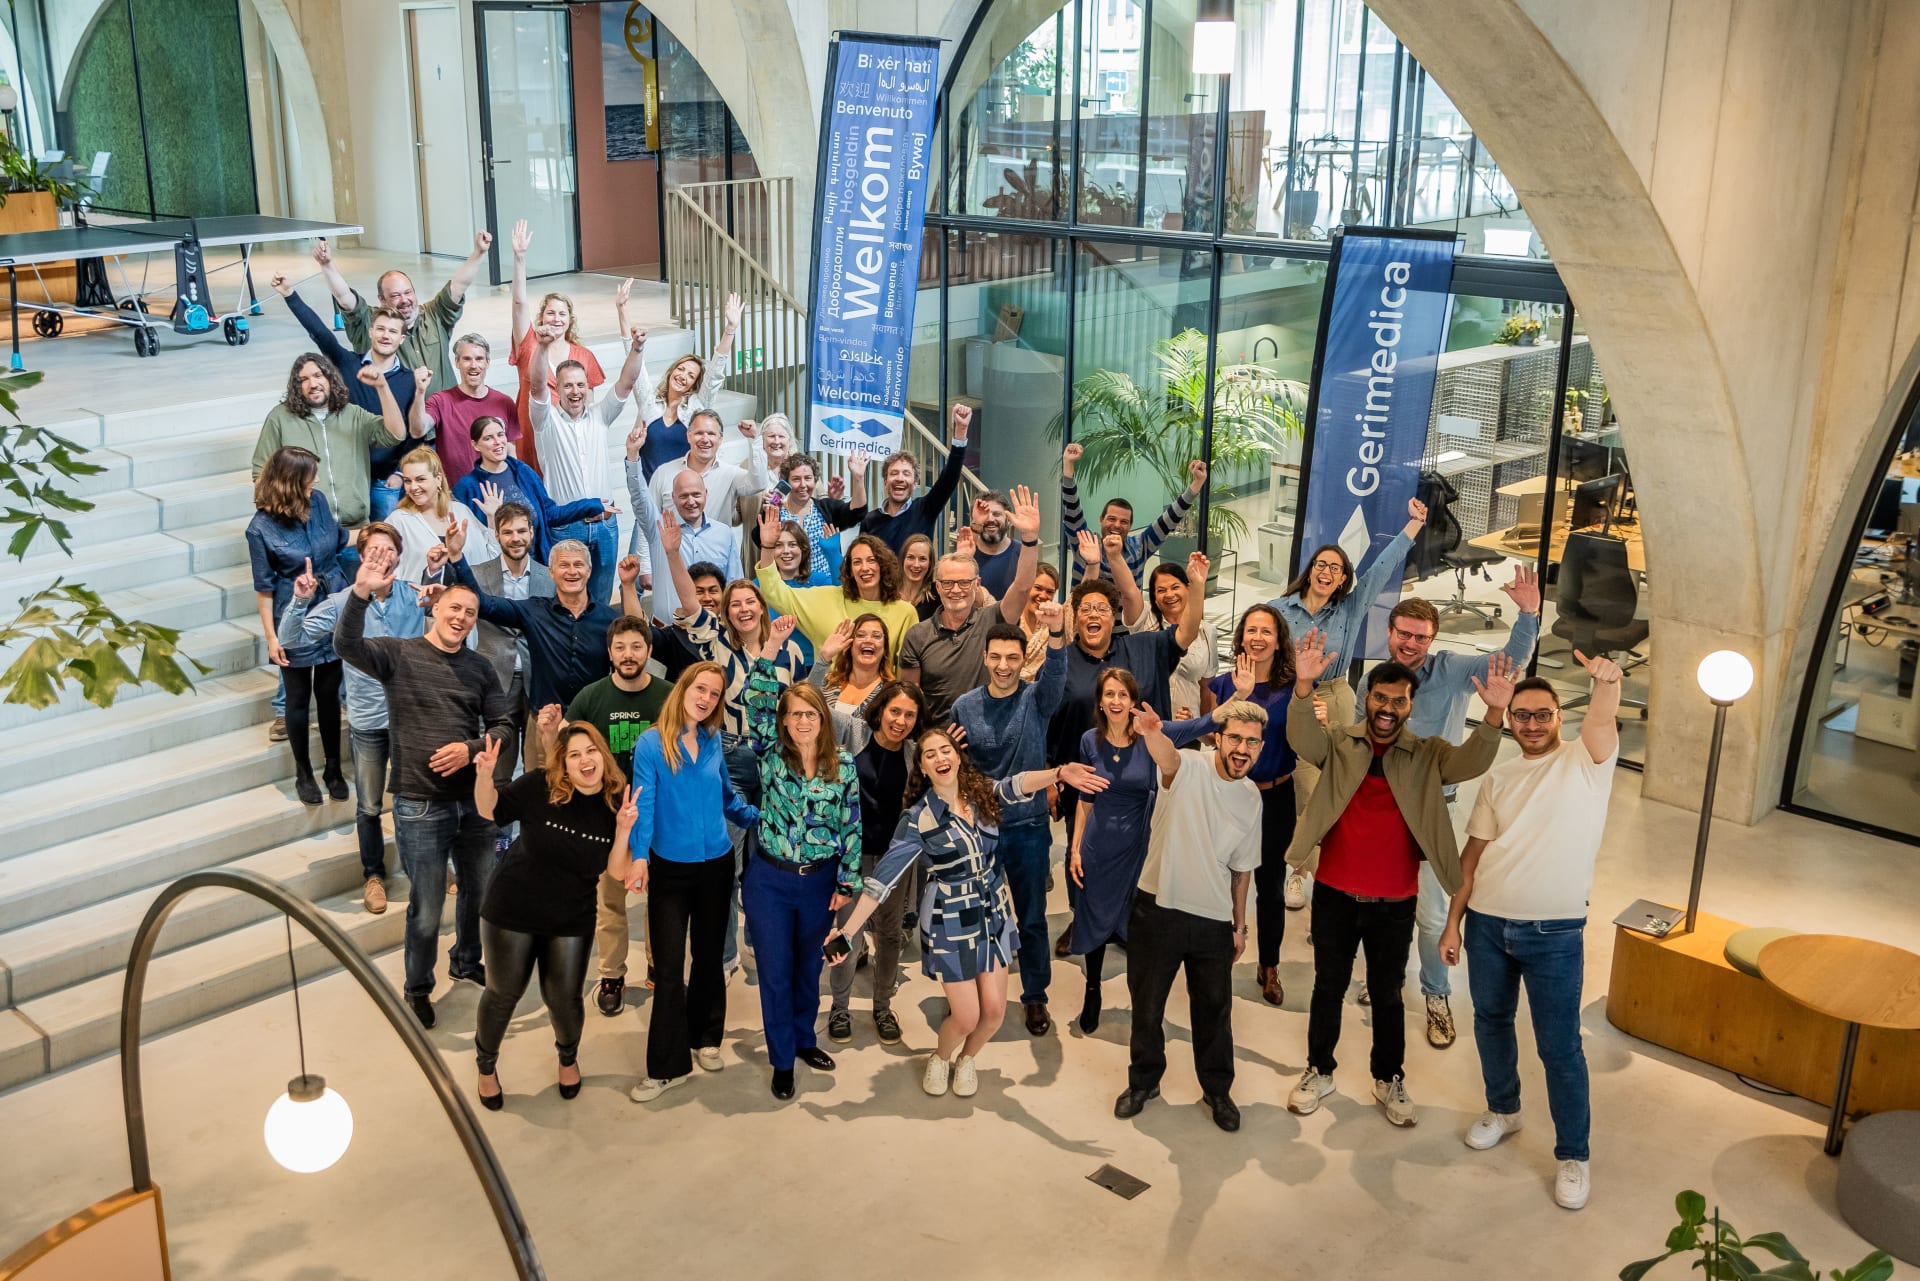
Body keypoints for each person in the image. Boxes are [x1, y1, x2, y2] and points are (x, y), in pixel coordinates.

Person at [1284, 633, 1510, 1128]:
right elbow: (1302, 740)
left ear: (1411, 706)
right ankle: (1319, 1069)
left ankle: (1388, 1077)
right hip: (1336, 893)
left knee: (1387, 994)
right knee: (1328, 987)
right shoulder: (1340, 743)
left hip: (1394, 899)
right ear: (1368, 698)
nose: (1388, 709)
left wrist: (1494, 714)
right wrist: (1303, 686)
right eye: (1381, 698)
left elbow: (1472, 761)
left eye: (1399, 701)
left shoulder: (1428, 754)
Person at [825, 727, 1105, 1098]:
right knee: (967, 1015)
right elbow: (881, 882)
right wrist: (847, 932)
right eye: (930, 754)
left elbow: (1017, 784)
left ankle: (967, 1058)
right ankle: (941, 1058)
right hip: (949, 918)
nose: (940, 758)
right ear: (922, 768)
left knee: (994, 1014)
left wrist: (1058, 773)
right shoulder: (918, 819)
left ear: (958, 756)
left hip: (993, 912)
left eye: (946, 750)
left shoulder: (981, 793)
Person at [1439, 652, 1621, 1211]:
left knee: (1560, 1047)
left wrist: (1608, 683)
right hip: (1490, 924)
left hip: (1556, 933)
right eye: (1522, 716)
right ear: (1510, 720)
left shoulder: (1587, 761)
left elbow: (1602, 720)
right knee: (1491, 1022)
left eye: (1543, 714)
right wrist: (1453, 923)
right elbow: (1472, 859)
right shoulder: (1499, 776)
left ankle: (1573, 1155)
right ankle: (1504, 1109)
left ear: (1560, 716)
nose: (1533, 724)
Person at [333, 554, 517, 1027]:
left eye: (470, 613)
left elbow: (504, 725)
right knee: (427, 907)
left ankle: (467, 960)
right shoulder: (399, 654)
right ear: (434, 608)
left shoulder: (479, 667)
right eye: (454, 608)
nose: (461, 618)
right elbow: (346, 644)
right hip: (420, 804)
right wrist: (360, 593)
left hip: (474, 803)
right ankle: (417, 987)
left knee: (479, 891)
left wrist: (470, 749)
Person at [1371, 574, 1541, 1046]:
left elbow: (1509, 662)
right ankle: (1383, 979)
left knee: (1429, 914)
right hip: (1382, 808)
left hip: (1433, 812)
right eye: (1404, 634)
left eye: (1420, 637)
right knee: (1380, 905)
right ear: (1389, 633)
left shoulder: (1450, 670)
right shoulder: (1373, 681)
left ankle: (1436, 994)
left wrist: (1528, 614)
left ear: (1432, 640)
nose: (1410, 644)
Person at [656, 514, 806, 975]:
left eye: (749, 601)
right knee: (726, 859)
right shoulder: (716, 645)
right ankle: (723, 951)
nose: (742, 608)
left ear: (762, 606)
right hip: (729, 756)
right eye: (734, 603)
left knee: (769, 860)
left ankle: (761, 938)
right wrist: (672, 552)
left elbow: (799, 706)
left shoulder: (790, 650)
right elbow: (688, 600)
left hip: (777, 761)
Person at [1113, 701, 1265, 1133]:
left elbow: (1242, 870)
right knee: (1147, 1007)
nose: (1242, 749)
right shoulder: (1188, 767)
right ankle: (1143, 1082)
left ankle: (1217, 1089)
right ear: (1218, 738)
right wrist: (1152, 733)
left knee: (1214, 1010)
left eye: (1252, 742)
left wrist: (1239, 927)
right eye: (1234, 738)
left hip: (1213, 919)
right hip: (1157, 909)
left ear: (1260, 747)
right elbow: (1166, 757)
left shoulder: (1251, 798)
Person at [1045, 555, 1210, 953]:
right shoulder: (1061, 661)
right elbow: (1044, 718)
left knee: (1143, 852)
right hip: (1085, 777)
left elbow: (1187, 632)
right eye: (1086, 609)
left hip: (1142, 779)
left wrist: (1197, 585)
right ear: (1075, 618)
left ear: (1114, 615)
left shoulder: (1144, 647)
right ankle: (1083, 919)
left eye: (1102, 608)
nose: (1094, 615)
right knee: (1083, 851)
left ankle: (1129, 922)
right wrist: (1050, 776)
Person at [470, 724, 638, 1110]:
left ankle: (567, 1057)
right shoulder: (540, 786)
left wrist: (624, 830)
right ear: (563, 762)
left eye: (591, 751)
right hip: (512, 908)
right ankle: (486, 1067)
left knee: (563, 999)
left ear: (603, 755)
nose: (585, 761)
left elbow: (616, 871)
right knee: (503, 993)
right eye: (574, 754)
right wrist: (484, 776)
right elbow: (489, 809)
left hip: (571, 916)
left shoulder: (617, 799)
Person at [1271, 496, 1429, 905]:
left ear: (1343, 579)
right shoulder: (1278, 609)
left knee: (1340, 786)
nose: (1326, 572)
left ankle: (1336, 871)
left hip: (1336, 695)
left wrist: (1413, 525)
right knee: (1307, 787)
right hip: (1294, 696)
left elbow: (1383, 567)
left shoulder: (1351, 608)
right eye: (1321, 565)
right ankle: (1300, 869)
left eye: (1335, 568)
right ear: (1310, 570)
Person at [624, 663, 760, 1102]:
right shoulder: (651, 744)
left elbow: (725, 796)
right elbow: (644, 805)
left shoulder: (713, 738)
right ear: (683, 689)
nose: (706, 699)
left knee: (709, 958)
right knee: (668, 969)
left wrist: (759, 817)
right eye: (700, 688)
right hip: (670, 869)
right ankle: (666, 1067)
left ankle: (706, 1037)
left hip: (716, 865)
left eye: (714, 694)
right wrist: (639, 857)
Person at [739, 621, 863, 1099]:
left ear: (822, 718)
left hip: (820, 882)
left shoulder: (843, 764)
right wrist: (771, 646)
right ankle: (782, 1058)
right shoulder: (770, 754)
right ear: (785, 721)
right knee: (775, 971)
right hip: (770, 881)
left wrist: (847, 882)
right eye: (795, 715)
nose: (804, 722)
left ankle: (805, 1040)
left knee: (809, 969)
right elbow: (755, 698)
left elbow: (851, 826)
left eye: (811, 713)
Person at [279, 523, 430, 914]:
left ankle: (423, 871)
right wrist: (299, 601)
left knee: (415, 801)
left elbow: (458, 631)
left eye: (389, 550)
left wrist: (440, 592)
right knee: (369, 806)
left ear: (399, 556)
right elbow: (292, 640)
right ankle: (374, 875)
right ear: (361, 557)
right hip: (367, 721)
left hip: (410, 717)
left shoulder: (415, 594)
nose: (382, 556)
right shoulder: (341, 601)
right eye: (374, 550)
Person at [542, 616, 670, 1015]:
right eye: (620, 647)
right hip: (606, 819)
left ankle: (659, 963)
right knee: (609, 903)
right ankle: (612, 974)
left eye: (636, 647)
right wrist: (548, 734)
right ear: (610, 652)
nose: (628, 655)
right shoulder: (590, 697)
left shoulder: (669, 695)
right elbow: (563, 752)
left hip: (658, 818)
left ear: (649, 651)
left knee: (660, 900)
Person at [951, 605, 1068, 1034]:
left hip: (1029, 828)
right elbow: (957, 769)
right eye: (996, 657)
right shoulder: (964, 707)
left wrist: (1057, 633)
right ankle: (972, 996)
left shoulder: (1036, 699)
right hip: (980, 831)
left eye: (1012, 658)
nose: (1004, 666)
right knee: (975, 918)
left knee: (1032, 917)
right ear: (985, 658)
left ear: (1023, 661)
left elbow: (1057, 673)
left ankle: (1035, 996)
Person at [1198, 605, 1299, 1006]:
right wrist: (1199, 728)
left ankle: (1269, 965)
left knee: (1270, 886)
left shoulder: (1293, 689)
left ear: (1279, 640)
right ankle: (1217, 952)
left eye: (1266, 631)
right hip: (1231, 793)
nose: (1258, 638)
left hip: (1275, 796)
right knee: (1221, 877)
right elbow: (1212, 736)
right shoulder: (1224, 684)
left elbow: (1305, 736)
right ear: (1240, 637)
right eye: (1251, 630)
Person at [446, 530, 643, 735]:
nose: (572, 571)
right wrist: (457, 556)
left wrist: (628, 585)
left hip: (594, 724)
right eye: (564, 565)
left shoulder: (609, 619)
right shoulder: (534, 611)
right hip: (544, 725)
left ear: (589, 570)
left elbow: (640, 639)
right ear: (551, 572)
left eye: (578, 565)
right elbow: (485, 604)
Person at [267, 275, 425, 520]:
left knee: (385, 538)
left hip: (384, 481)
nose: (386, 335)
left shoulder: (409, 380)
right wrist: (290, 294)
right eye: (381, 329)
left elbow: (414, 435)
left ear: (401, 338)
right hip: (347, 476)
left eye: (393, 331)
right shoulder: (347, 363)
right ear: (371, 331)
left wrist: (399, 473)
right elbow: (320, 333)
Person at [825, 680, 926, 1044]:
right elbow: (813, 704)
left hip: (894, 860)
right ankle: (839, 1007)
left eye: (909, 715)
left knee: (889, 934)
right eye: (894, 711)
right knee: (847, 932)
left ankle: (882, 1007)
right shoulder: (854, 732)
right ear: (880, 709)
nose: (900, 721)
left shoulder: (915, 754)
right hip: (852, 856)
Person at [248, 446, 349, 806]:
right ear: (291, 482)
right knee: (298, 697)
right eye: (310, 476)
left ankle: (333, 768)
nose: (316, 480)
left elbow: (339, 541)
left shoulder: (317, 501)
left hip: (331, 602)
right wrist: (271, 637)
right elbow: (263, 589)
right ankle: (303, 771)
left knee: (329, 693)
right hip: (294, 612)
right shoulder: (260, 528)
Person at [899, 488, 1042, 722]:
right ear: (937, 587)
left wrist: (1030, 538)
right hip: (938, 738)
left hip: (990, 733)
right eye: (948, 583)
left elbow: (1023, 587)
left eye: (964, 583)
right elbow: (910, 699)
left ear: (977, 584)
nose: (956, 590)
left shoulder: (992, 620)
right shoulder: (917, 636)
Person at [529, 323, 647, 607]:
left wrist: (637, 348)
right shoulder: (545, 420)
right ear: (558, 388)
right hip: (566, 527)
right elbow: (536, 385)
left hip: (605, 525)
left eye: (580, 385)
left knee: (601, 602)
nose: (575, 391)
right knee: (565, 603)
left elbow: (626, 382)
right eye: (568, 385)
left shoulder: (599, 415)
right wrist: (542, 347)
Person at [507, 220, 628, 476]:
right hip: (531, 437)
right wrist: (520, 259)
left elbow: (589, 410)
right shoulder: (529, 344)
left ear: (570, 320)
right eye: (550, 313)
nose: (556, 319)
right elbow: (519, 303)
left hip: (566, 443)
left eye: (562, 314)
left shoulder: (583, 356)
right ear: (541, 317)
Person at [313, 232, 492, 391]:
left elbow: (459, 285)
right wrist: (327, 265)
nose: (405, 300)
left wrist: (478, 253)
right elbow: (344, 296)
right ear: (382, 299)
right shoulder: (369, 323)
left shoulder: (435, 314)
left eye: (408, 292)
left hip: (444, 414)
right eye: (396, 295)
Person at [251, 354, 407, 530]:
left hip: (355, 528)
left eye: (318, 375)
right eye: (303, 379)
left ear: (330, 378)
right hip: (307, 530)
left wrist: (382, 386)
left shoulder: (353, 414)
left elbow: (396, 434)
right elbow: (261, 474)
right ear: (296, 386)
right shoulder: (279, 418)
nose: (313, 384)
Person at [756, 511, 919, 663]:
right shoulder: (824, 598)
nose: (864, 568)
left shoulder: (905, 613)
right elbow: (774, 592)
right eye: (857, 562)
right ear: (849, 570)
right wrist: (768, 546)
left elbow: (906, 669)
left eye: (872, 560)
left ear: (884, 565)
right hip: (825, 684)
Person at [466, 504, 554, 782]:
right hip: (495, 680)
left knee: (538, 771)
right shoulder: (477, 575)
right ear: (497, 535)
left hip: (538, 681)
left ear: (531, 532)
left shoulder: (550, 577)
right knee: (498, 771)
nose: (515, 538)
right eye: (507, 532)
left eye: (521, 531)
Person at [625, 428, 744, 622]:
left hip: (712, 631)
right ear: (673, 498)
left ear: (705, 494)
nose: (691, 501)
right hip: (668, 631)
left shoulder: (724, 533)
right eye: (683, 496)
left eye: (696, 495)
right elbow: (639, 497)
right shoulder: (659, 530)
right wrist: (632, 455)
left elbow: (734, 585)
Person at [453, 416, 607, 565]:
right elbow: (471, 541)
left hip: (537, 565)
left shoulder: (523, 471)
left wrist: (591, 505)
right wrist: (492, 519)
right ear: (475, 445)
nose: (497, 442)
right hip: (498, 571)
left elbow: (550, 514)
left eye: (500, 435)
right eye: (488, 438)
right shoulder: (467, 487)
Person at [1060, 445, 1208, 587]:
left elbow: (1169, 519)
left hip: (1128, 606)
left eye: (1124, 521)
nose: (1117, 525)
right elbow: (1072, 510)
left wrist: (1197, 483)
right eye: (1111, 519)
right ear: (1101, 520)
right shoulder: (1086, 544)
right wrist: (1068, 464)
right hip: (1083, 605)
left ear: (1130, 526)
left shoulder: (1139, 547)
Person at [632, 294, 743, 480]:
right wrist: (622, 311)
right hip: (649, 489)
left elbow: (715, 372)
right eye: (681, 369)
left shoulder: (698, 406)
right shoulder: (649, 401)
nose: (683, 376)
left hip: (686, 490)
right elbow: (636, 369)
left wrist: (730, 328)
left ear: (694, 385)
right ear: (672, 371)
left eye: (691, 376)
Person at [858, 404, 972, 556]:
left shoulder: (925, 510)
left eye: (906, 474)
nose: (900, 478)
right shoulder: (870, 520)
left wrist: (961, 430)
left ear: (915, 483)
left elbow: (949, 477)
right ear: (885, 482)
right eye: (894, 473)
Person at [647, 411, 770, 540]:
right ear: (688, 436)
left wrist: (754, 439)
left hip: (717, 551)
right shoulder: (663, 473)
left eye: (711, 434)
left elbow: (759, 483)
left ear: (720, 439)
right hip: (673, 551)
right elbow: (648, 521)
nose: (705, 439)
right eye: (699, 433)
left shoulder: (731, 474)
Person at [388, 446, 498, 583]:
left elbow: (492, 560)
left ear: (438, 479)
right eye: (407, 481)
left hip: (470, 595)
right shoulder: (398, 520)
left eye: (420, 479)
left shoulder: (461, 511)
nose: (413, 487)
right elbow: (389, 574)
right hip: (421, 596)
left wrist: (493, 519)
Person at [422, 335, 522, 485]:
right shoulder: (440, 401)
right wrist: (419, 392)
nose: (473, 365)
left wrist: (515, 484)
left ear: (487, 362)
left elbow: (510, 450)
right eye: (467, 359)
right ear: (457, 362)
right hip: (456, 492)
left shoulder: (505, 402)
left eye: (479, 359)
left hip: (497, 490)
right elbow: (419, 429)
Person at [757, 451, 866, 575]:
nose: (803, 485)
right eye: (796, 479)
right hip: (787, 584)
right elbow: (760, 542)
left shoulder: (826, 508)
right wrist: (769, 512)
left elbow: (857, 513)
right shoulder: (776, 513)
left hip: (825, 583)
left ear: (815, 480)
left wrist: (858, 478)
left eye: (808, 478)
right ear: (786, 482)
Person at [1148, 562, 1219, 719]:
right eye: (1161, 590)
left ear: (1188, 589)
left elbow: (1207, 688)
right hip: (1148, 725)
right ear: (1154, 597)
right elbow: (1128, 595)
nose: (1169, 595)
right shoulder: (1145, 624)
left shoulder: (1207, 631)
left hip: (1188, 724)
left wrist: (1202, 727)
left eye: (1175, 587)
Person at [820, 615, 896, 716]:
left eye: (876, 636)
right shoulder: (828, 682)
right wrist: (825, 656)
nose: (868, 640)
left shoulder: (892, 692)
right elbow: (806, 700)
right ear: (849, 645)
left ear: (885, 648)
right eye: (860, 635)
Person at [1017, 563, 1064, 680]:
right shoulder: (1008, 618)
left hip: (1042, 688)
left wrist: (1092, 564)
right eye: (1038, 588)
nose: (1043, 596)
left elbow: (1078, 601)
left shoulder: (1054, 624)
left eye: (1049, 592)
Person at [897, 534, 937, 620]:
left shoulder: (937, 594)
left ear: (930, 563)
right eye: (911, 557)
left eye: (922, 559)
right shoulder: (887, 592)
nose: (916, 565)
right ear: (903, 560)